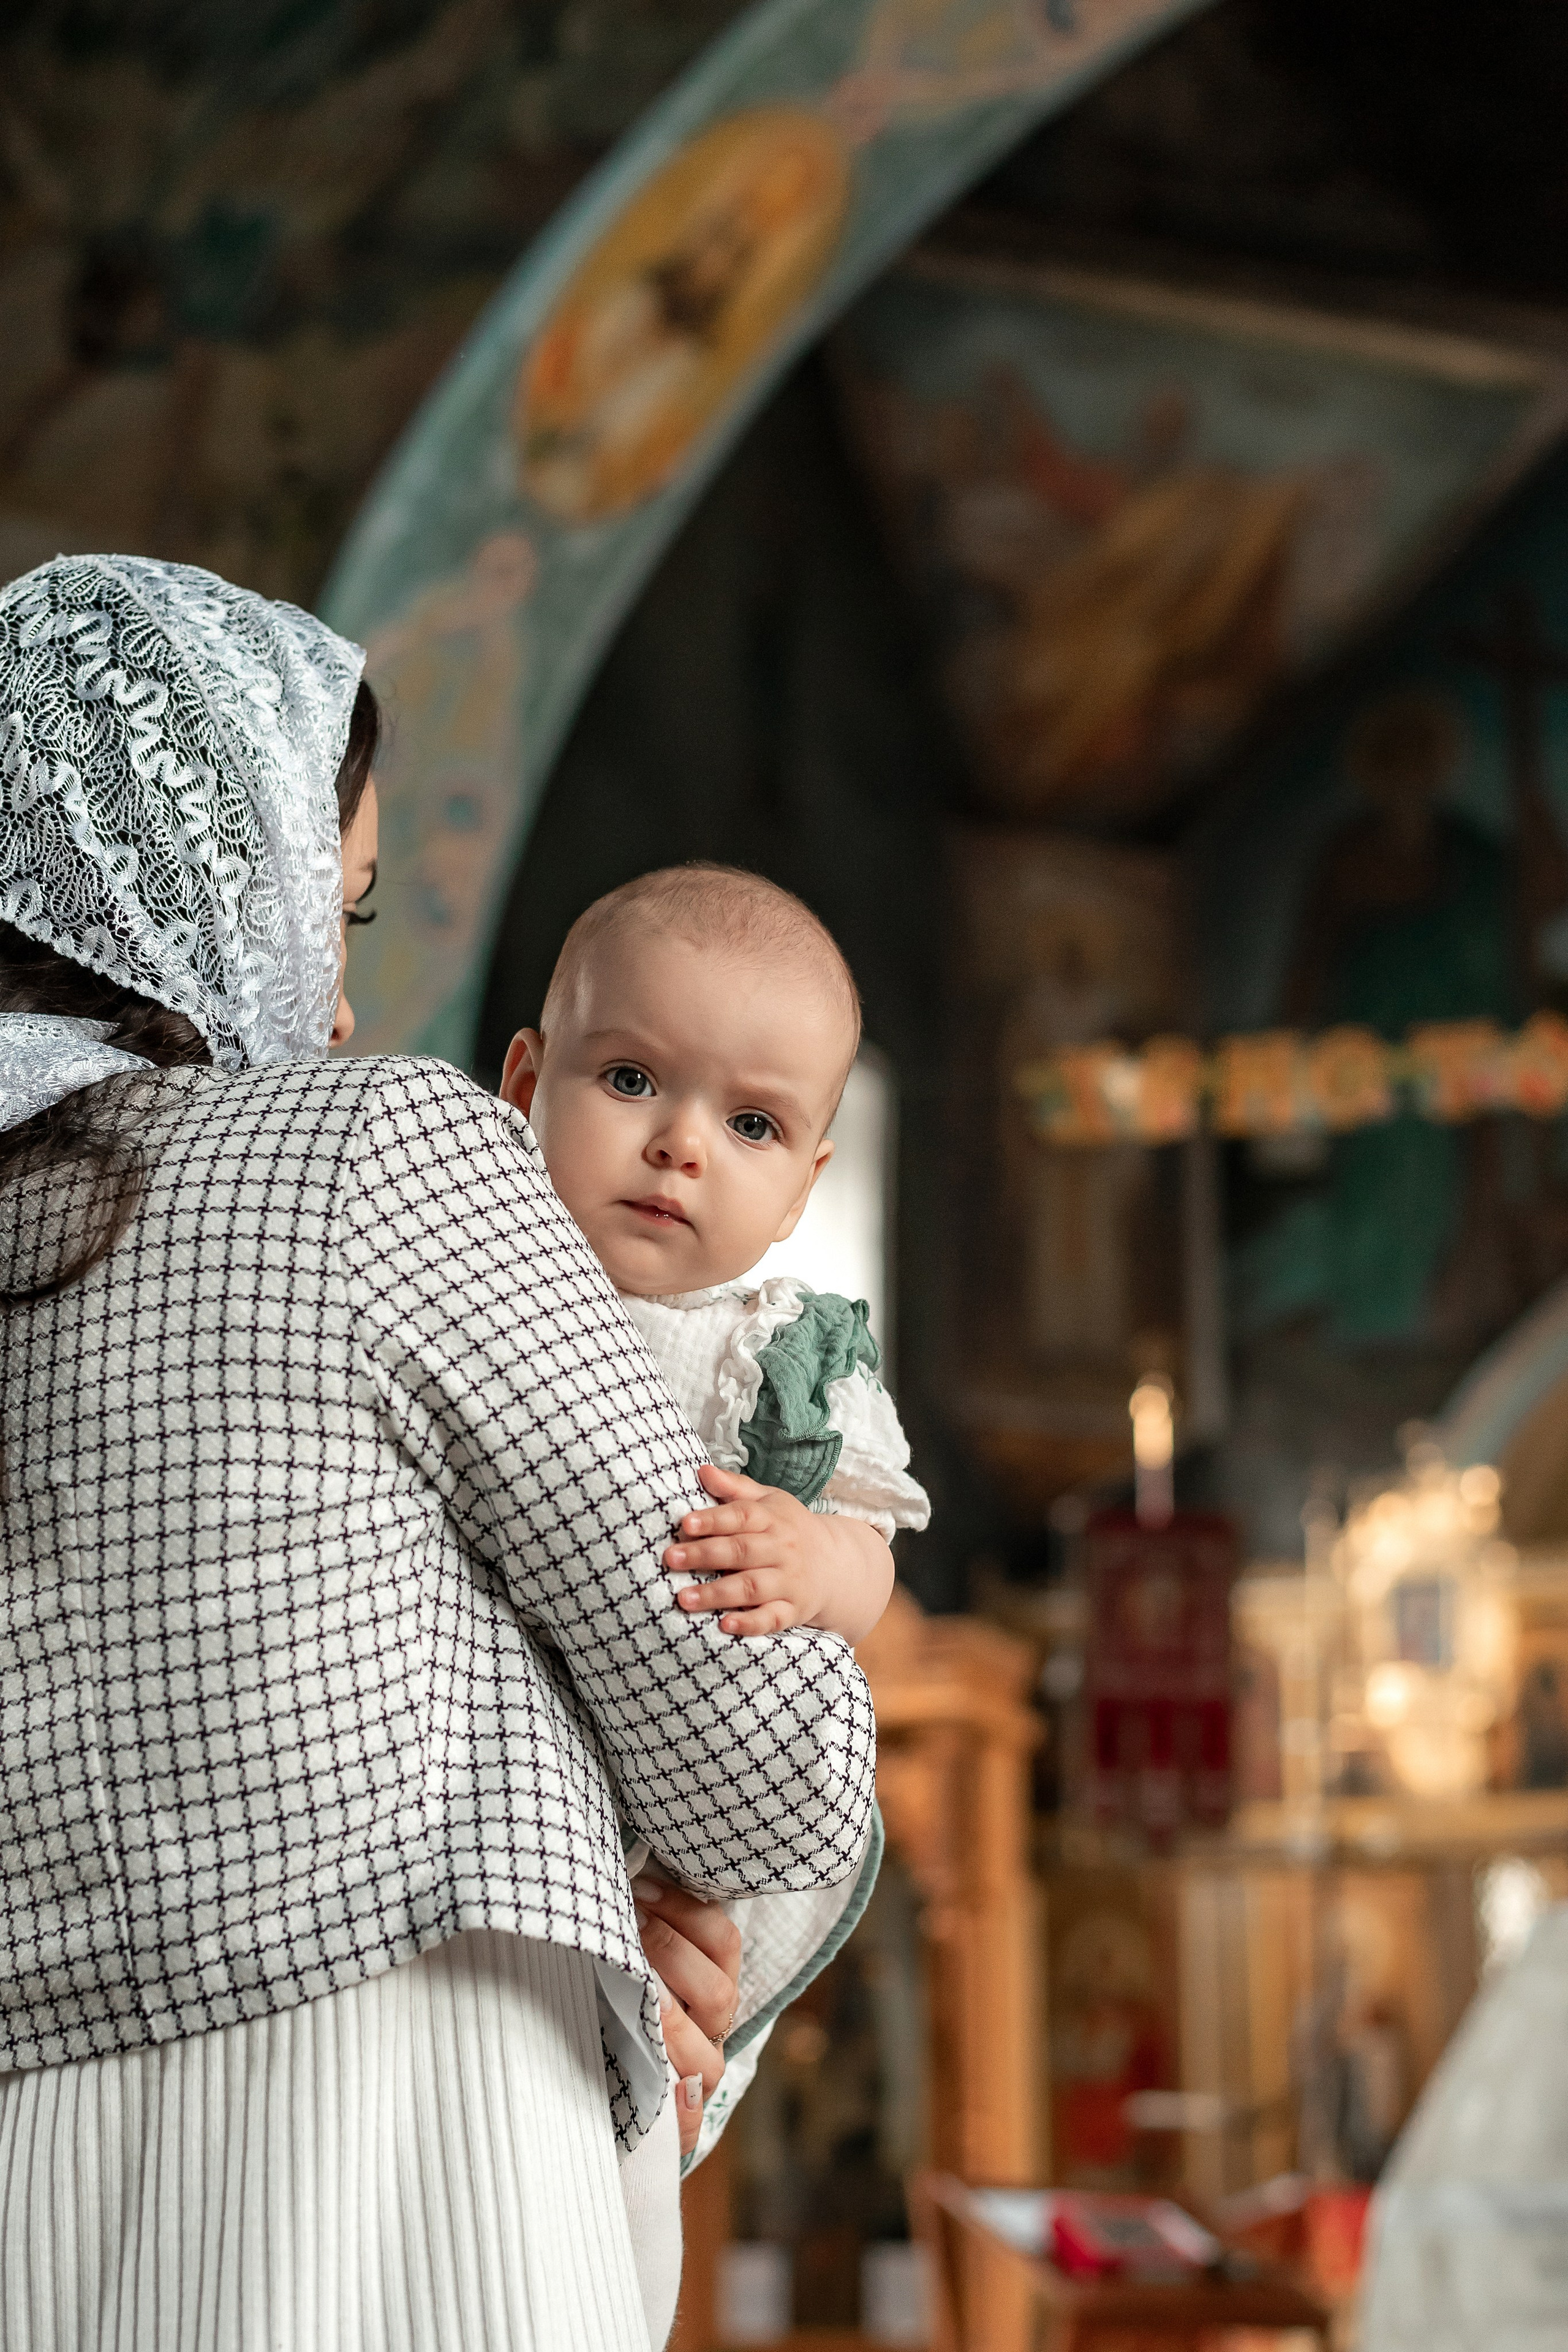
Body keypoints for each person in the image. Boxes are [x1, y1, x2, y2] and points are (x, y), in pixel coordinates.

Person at [0, 556, 878, 2352]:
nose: (332, 1010)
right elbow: (765, 1775)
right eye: (341, 914)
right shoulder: (376, 1153)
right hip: (385, 2159)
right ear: (207, 871)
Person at [499, 863, 930, 2323]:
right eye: (630, 1079)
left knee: (685, 2010)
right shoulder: (479, 1285)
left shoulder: (787, 1348)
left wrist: (822, 1568)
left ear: (807, 1179)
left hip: (719, 1790)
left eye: (750, 1123)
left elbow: (873, 1547)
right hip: (524, 1772)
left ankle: (685, 2083)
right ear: (523, 1080)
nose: (680, 1146)